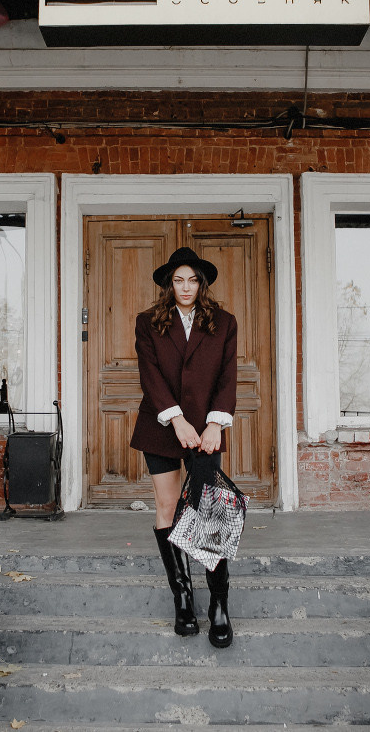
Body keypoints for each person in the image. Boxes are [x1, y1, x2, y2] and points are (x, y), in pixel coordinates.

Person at [131, 246, 238, 648]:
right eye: (178, 280)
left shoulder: (224, 322)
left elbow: (228, 377)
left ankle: (219, 603)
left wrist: (214, 424)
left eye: (192, 280)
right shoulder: (148, 322)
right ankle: (182, 596)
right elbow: (150, 374)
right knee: (167, 508)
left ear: (202, 283)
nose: (186, 287)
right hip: (161, 425)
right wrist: (176, 419)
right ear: (168, 285)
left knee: (210, 513)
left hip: (207, 431)